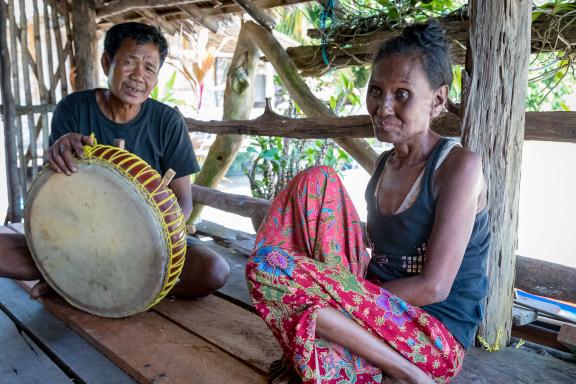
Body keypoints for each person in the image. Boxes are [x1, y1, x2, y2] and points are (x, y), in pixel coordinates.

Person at [245, 21, 489, 384]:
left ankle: (405, 373)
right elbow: (369, 258)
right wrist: (340, 295)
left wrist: (333, 303)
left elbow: (433, 287)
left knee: (270, 268)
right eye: (376, 91)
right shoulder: (384, 165)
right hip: (370, 312)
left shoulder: (458, 167)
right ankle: (335, 345)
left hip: (431, 338)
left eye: (402, 94)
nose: (383, 106)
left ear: (437, 100)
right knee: (316, 180)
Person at [0, 22, 230, 299]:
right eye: (130, 62)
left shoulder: (167, 121)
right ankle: (92, 279)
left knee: (212, 270)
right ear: (107, 61)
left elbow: (183, 201)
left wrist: (148, 239)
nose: (138, 76)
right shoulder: (73, 109)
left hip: (149, 246)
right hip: (80, 238)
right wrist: (60, 153)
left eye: (149, 68)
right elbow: (58, 192)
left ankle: (73, 280)